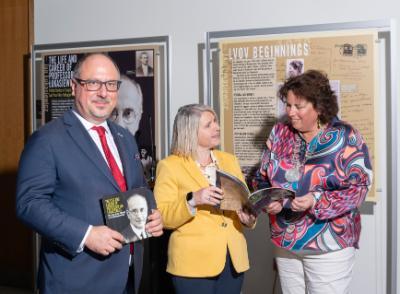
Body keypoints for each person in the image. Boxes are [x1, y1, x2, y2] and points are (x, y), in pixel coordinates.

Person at [16, 53, 163, 294]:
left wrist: (152, 214)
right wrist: (85, 235)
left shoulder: (125, 138)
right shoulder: (47, 139)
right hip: (78, 278)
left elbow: (135, 190)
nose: (104, 93)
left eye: (111, 85)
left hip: (127, 275)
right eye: (93, 83)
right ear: (74, 87)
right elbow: (29, 204)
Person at [254, 70, 372, 294]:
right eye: (288, 105)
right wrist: (269, 199)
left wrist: (315, 200)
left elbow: (359, 188)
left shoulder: (346, 136)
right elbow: (261, 177)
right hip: (285, 244)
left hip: (329, 246)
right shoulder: (280, 132)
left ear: (319, 107)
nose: (291, 112)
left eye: (298, 106)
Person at [154, 104, 256, 294]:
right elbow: (163, 216)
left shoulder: (229, 160)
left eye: (216, 122)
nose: (217, 127)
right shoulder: (169, 166)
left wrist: (248, 218)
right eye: (208, 125)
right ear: (190, 130)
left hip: (233, 260)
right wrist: (193, 199)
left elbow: (245, 203)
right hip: (192, 263)